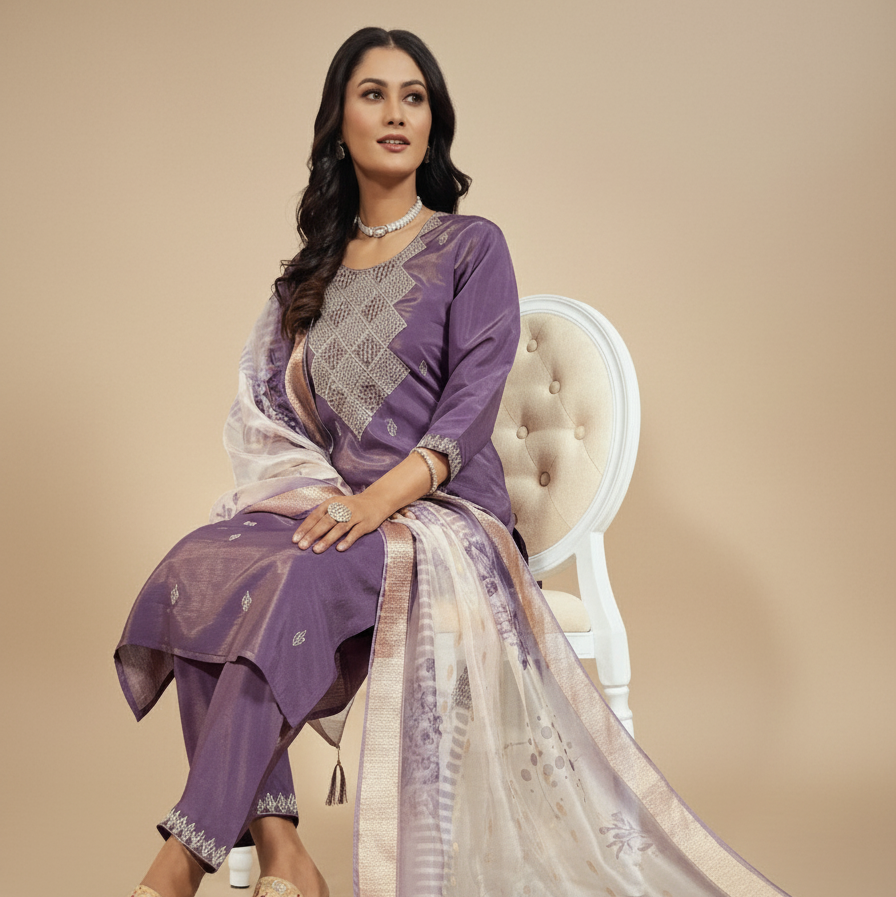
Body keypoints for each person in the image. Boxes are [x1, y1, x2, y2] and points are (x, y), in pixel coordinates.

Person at [117, 27, 789, 897]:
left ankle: (182, 860)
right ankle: (286, 853)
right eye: (373, 93)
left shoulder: (473, 248)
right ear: (336, 122)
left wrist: (371, 506)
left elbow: (468, 414)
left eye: (414, 96)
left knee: (283, 583)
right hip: (340, 510)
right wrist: (325, 501)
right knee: (204, 566)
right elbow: (275, 417)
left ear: (434, 122)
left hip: (443, 522)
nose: (395, 113)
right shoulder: (305, 282)